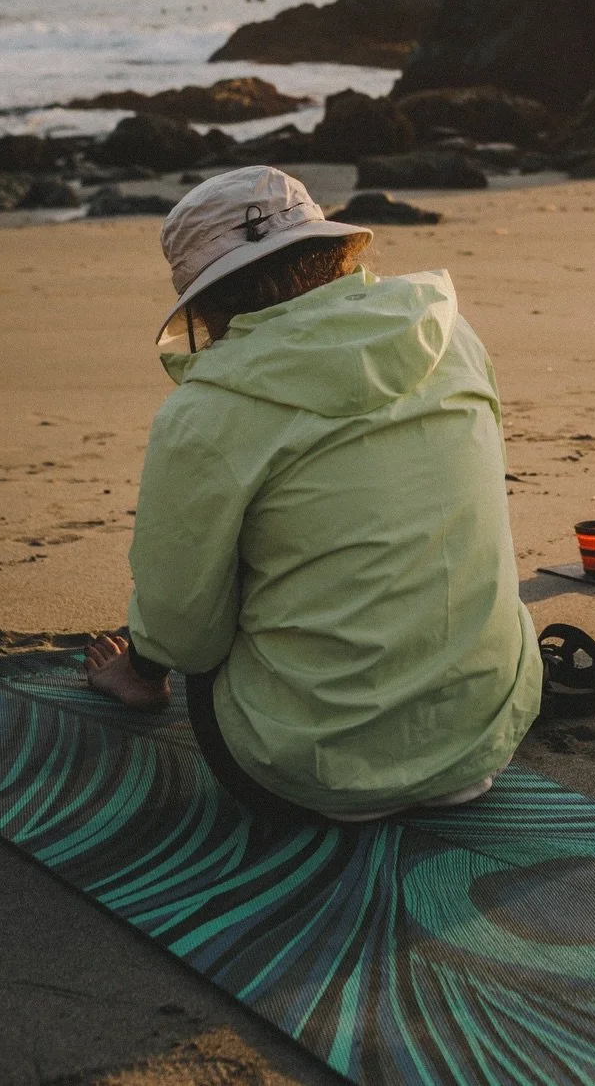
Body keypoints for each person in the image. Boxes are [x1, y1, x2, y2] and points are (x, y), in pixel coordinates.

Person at [84, 165, 542, 824]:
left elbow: (188, 630)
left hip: (308, 768)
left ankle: (137, 674)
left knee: (207, 591)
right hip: (486, 733)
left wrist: (150, 665)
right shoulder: (450, 335)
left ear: (207, 300)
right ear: (333, 250)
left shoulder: (206, 411)